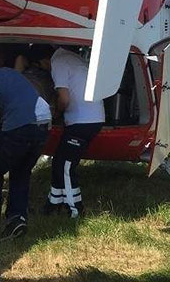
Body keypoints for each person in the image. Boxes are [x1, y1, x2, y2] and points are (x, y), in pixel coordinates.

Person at [0, 48, 49, 244]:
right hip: (44, 123)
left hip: (20, 126)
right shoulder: (13, 74)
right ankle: (16, 219)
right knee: (21, 172)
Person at [42, 47, 105, 218]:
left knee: (66, 166)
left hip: (82, 120)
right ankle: (53, 202)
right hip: (91, 118)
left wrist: (56, 114)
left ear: (44, 61)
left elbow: (64, 98)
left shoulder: (58, 62)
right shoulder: (72, 57)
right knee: (58, 161)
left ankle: (75, 208)